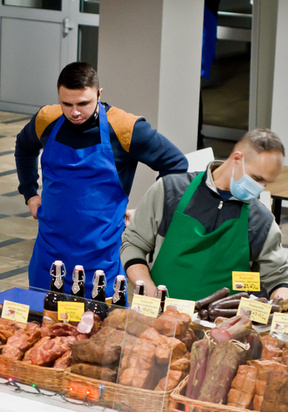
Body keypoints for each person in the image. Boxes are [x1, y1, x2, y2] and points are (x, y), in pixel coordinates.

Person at [14, 61, 188, 295]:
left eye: (83, 103)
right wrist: (30, 194)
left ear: (99, 93)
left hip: (101, 257)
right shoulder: (47, 119)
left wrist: (147, 213)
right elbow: (24, 147)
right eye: (67, 104)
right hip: (49, 252)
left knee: (101, 326)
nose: (74, 112)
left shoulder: (126, 128)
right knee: (44, 324)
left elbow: (176, 164)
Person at [121, 128, 288, 302]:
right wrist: (153, 297)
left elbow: (279, 280)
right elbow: (133, 245)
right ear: (237, 159)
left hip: (223, 324)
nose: (260, 186)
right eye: (256, 178)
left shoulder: (260, 220)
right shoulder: (170, 190)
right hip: (159, 317)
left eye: (266, 182)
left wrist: (280, 303)